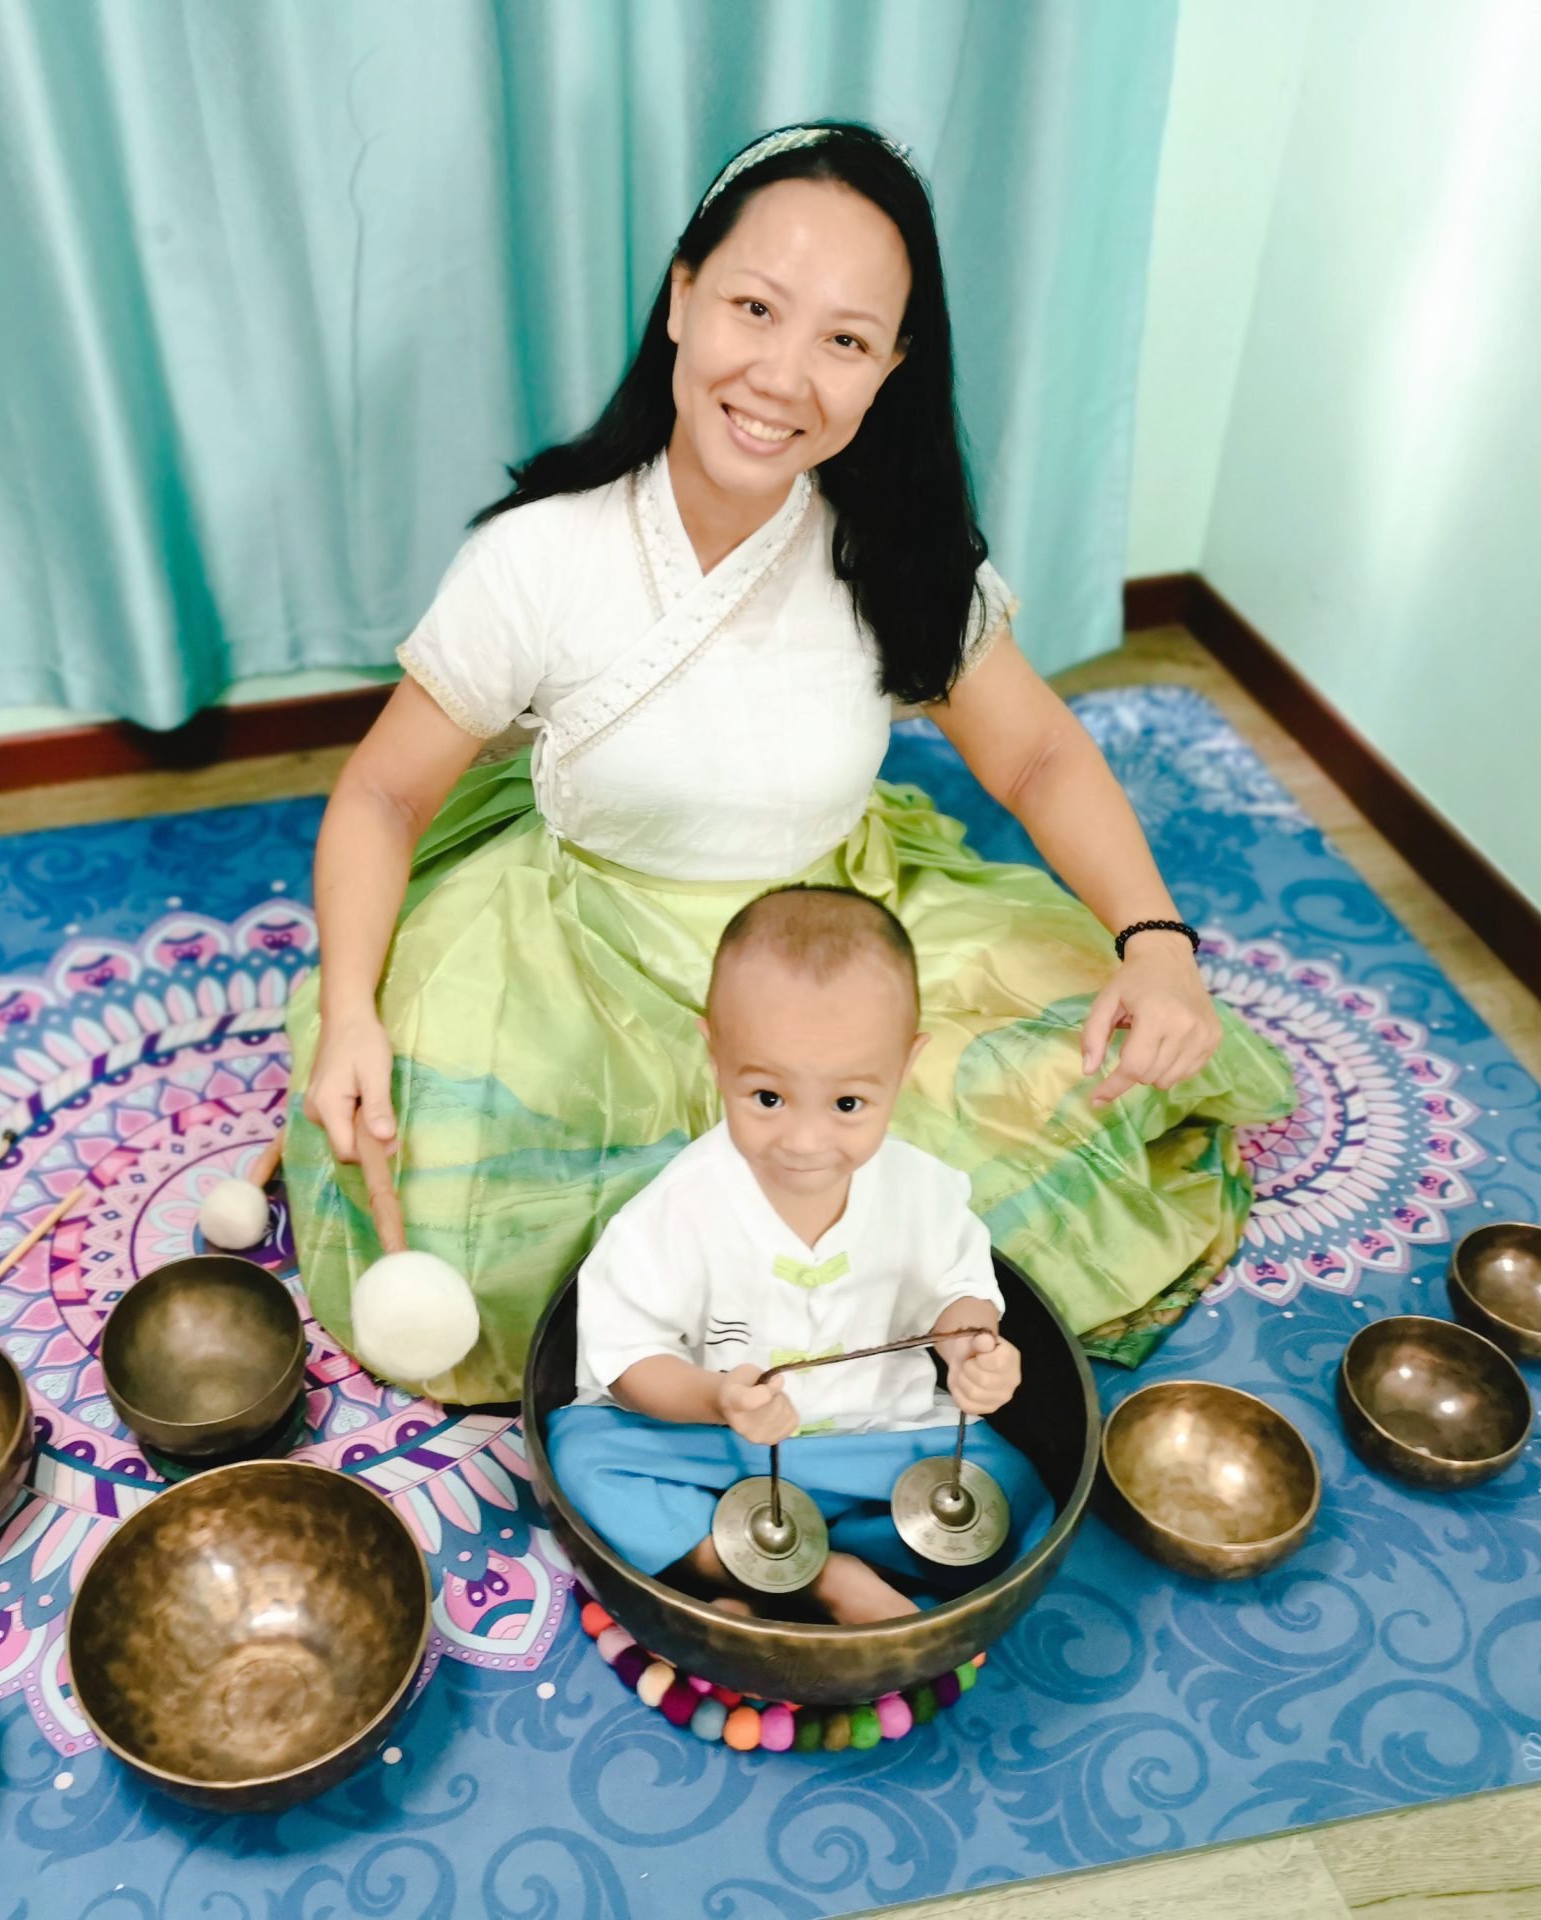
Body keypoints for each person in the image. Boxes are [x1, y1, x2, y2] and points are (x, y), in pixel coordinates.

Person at [284, 121, 1294, 1404]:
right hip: (580, 955)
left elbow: (1038, 754)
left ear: (890, 369)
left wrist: (1155, 942)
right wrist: (353, 1013)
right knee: (465, 1218)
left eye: (844, 340)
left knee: (1060, 1105)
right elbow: (383, 794)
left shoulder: (897, 556)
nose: (781, 375)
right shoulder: (538, 558)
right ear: (681, 298)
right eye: (754, 308)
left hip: (834, 943)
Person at [546, 887, 1049, 1623]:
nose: (805, 1142)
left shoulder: (923, 1191)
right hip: (719, 1447)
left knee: (1016, 1489)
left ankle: (766, 1563)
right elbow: (627, 1361)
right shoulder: (675, 1209)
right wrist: (715, 1399)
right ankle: (818, 1577)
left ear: (904, 1067)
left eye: (848, 1105)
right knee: (582, 1457)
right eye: (767, 1097)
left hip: (881, 1444)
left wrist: (974, 1349)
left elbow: (961, 1294)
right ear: (716, 1055)